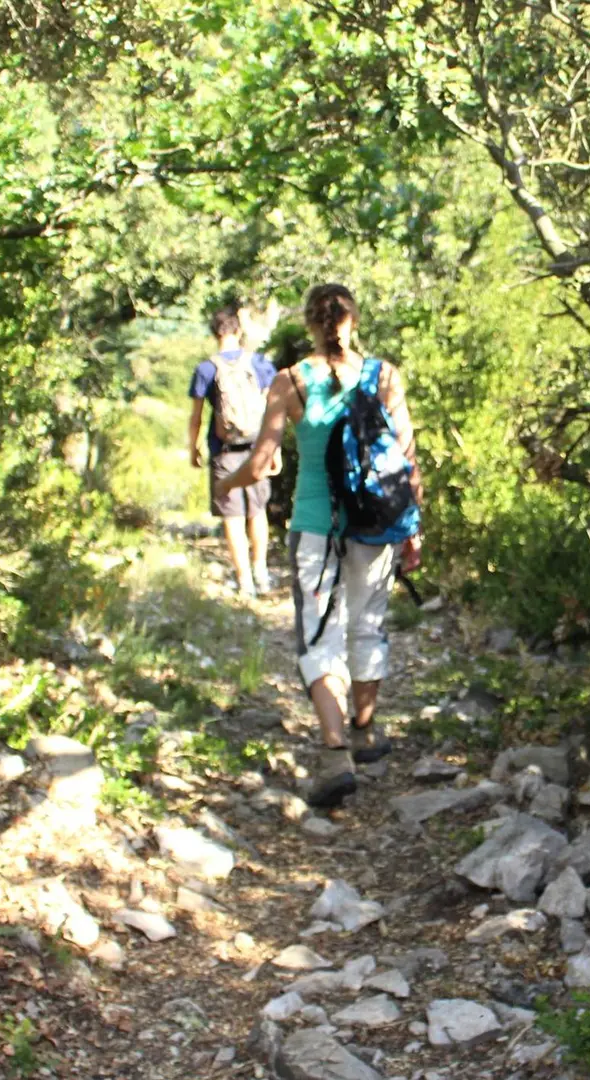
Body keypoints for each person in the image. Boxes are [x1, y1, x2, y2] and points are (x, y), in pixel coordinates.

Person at [214, 284, 424, 807]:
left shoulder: (290, 381)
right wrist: (413, 528)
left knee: (320, 635)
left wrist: (226, 485)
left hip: (314, 524)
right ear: (355, 319)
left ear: (310, 325)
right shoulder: (385, 376)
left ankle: (334, 755)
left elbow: (261, 463)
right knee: (368, 624)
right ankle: (365, 733)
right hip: (377, 523)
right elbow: (407, 462)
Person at [188, 303, 279, 597]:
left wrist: (194, 447)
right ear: (237, 330)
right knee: (258, 511)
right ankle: (261, 571)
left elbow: (197, 416)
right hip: (256, 447)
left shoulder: (206, 368)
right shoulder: (259, 363)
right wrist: (273, 448)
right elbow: (272, 409)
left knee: (233, 516)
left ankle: (244, 581)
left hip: (224, 451)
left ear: (215, 333)